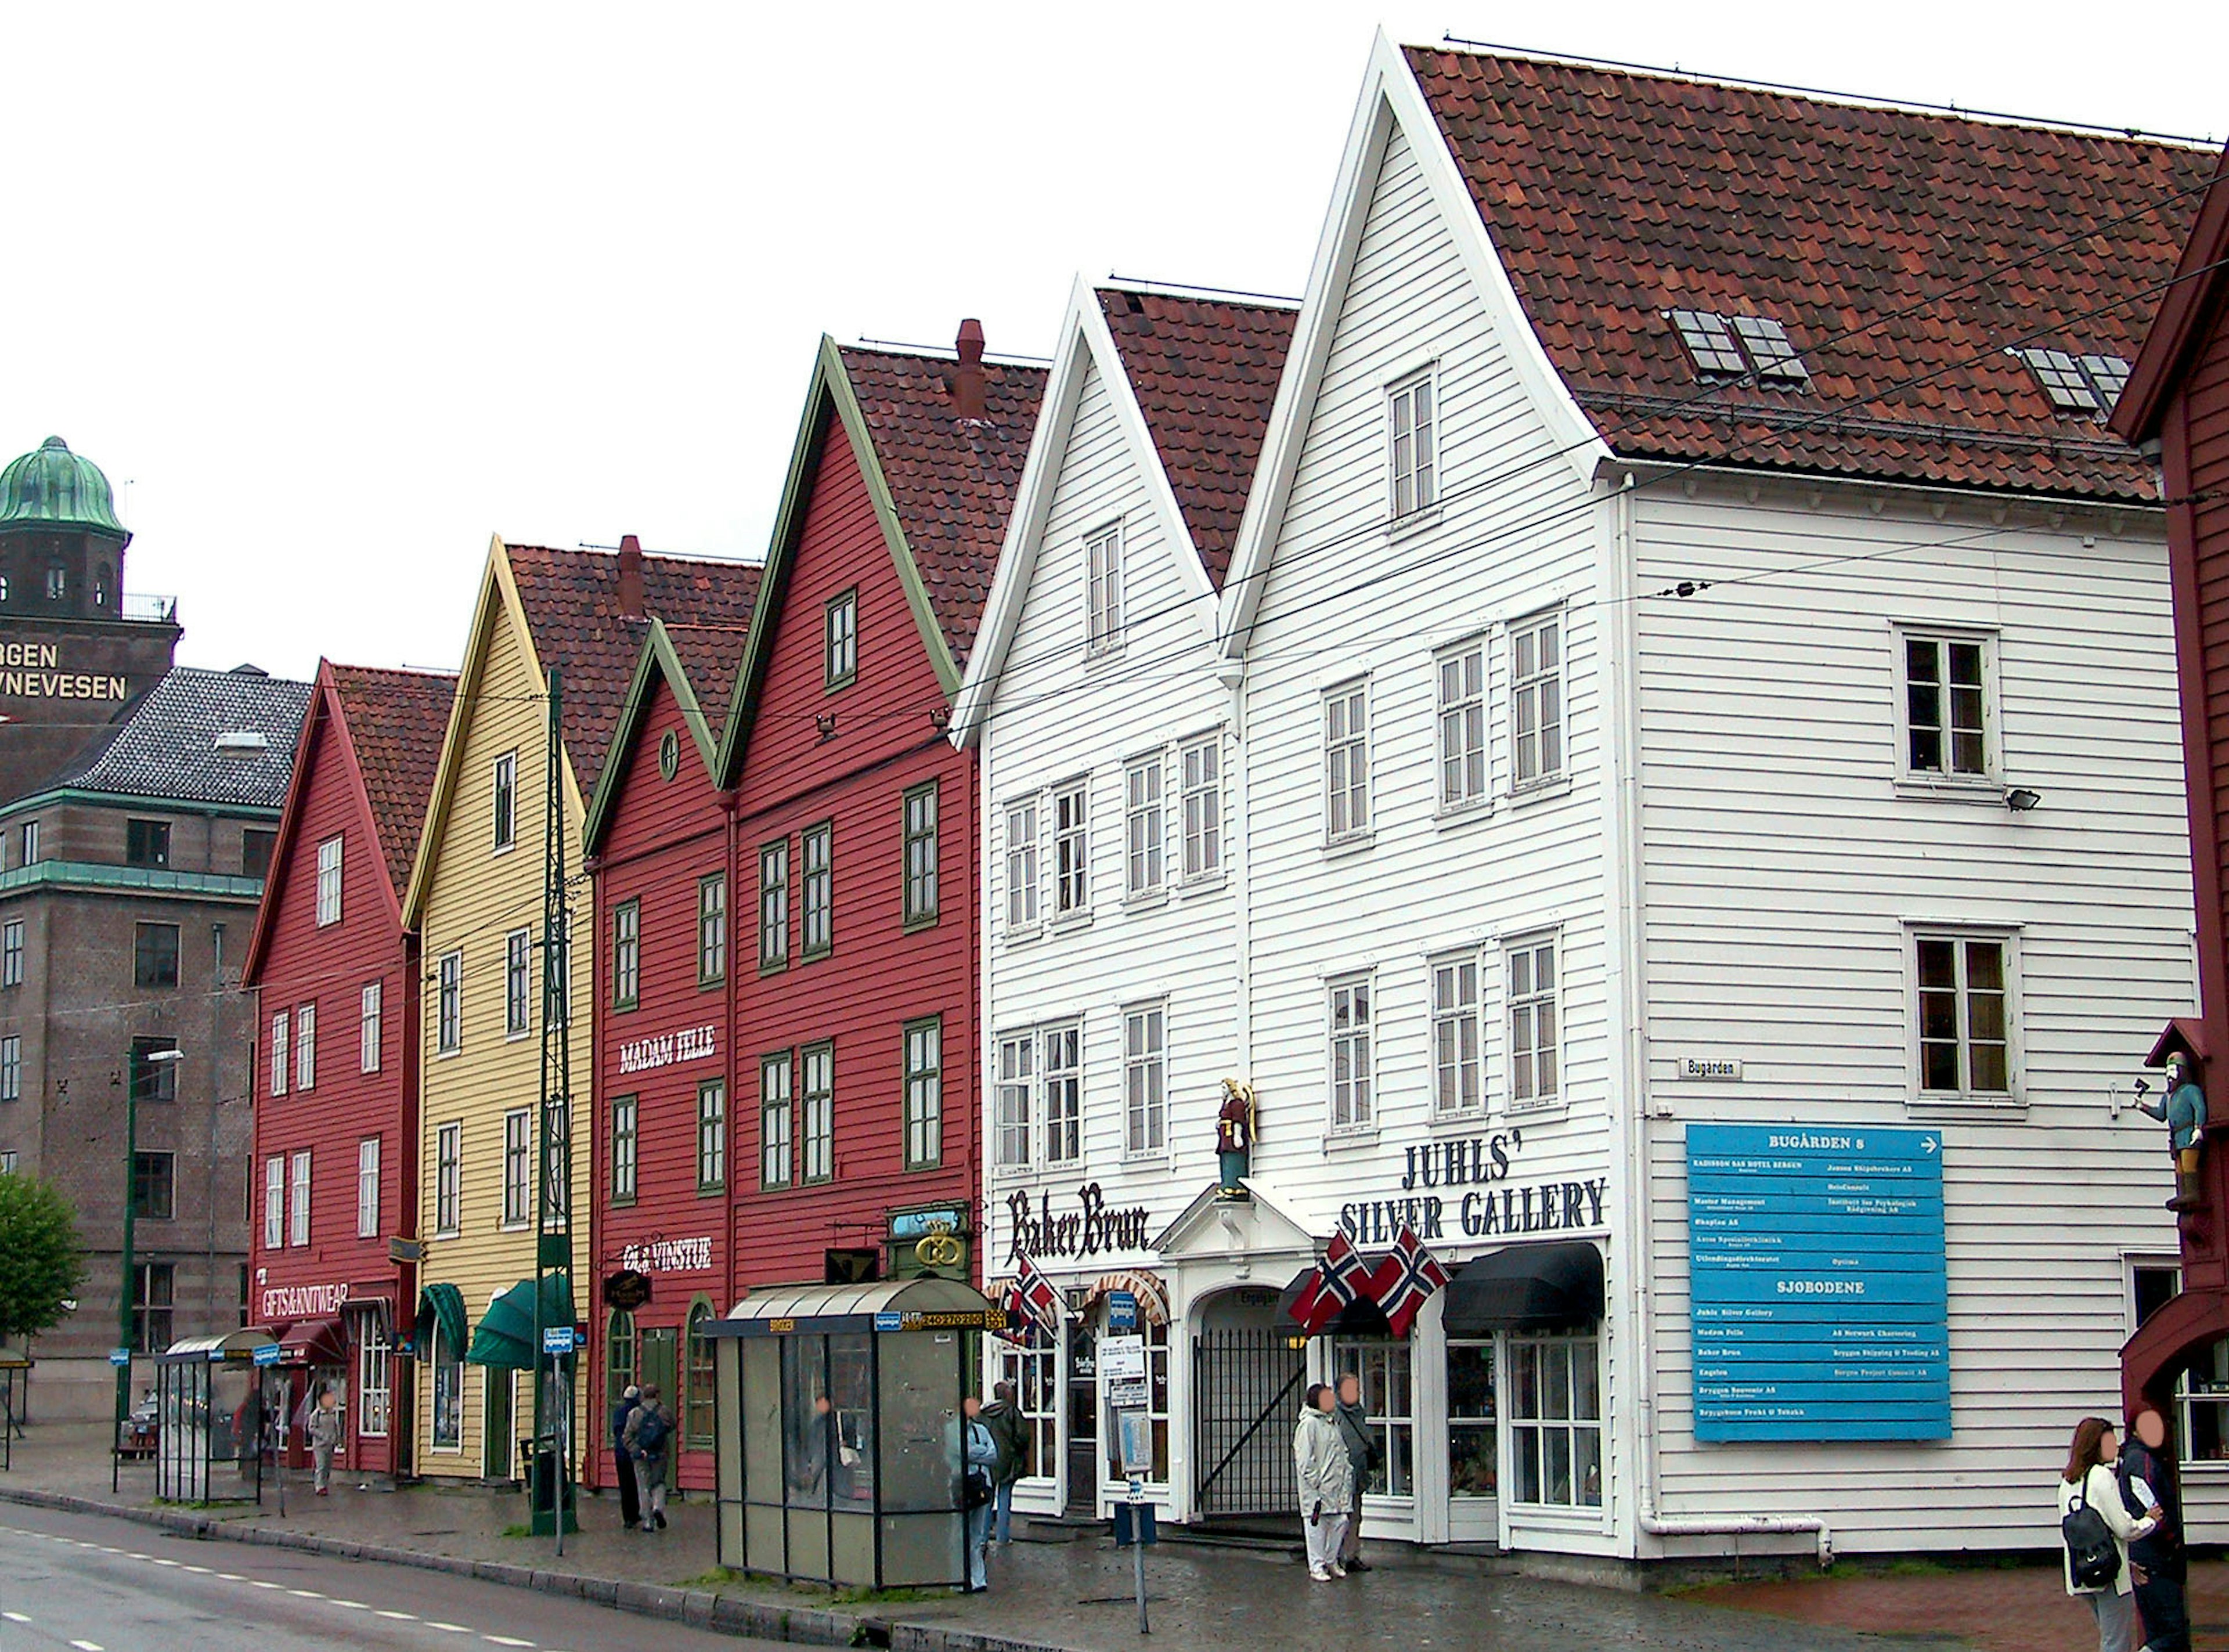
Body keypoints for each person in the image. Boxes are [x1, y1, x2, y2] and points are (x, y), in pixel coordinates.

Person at [2061, 1415, 2159, 1652]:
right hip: (2110, 1575)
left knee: (2109, 1636)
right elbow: (2124, 1528)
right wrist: (2149, 1521)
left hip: (2081, 1572)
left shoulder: (2068, 1481)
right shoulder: (2102, 1477)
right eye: (2111, 1440)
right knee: (2116, 1643)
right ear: (2097, 1444)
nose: (2116, 1445)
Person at [2120, 1406, 2190, 1652]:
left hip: (2146, 1556)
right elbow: (2153, 1510)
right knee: (2173, 1633)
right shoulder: (2142, 1461)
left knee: (2159, 1629)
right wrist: (2174, 1544)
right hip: (2156, 1559)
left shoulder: (2132, 1458)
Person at [1295, 1382, 1354, 1582]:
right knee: (1316, 1527)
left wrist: (1346, 1473)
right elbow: (1305, 1459)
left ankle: (1331, 1560)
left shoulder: (1332, 1423)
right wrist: (1317, 1482)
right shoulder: (1309, 1425)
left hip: (1336, 1485)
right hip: (1318, 1489)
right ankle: (1317, 1565)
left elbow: (1340, 1451)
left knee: (1340, 1521)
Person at [2136, 1051, 2208, 1210]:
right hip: (2176, 1136)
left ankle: (2192, 1192)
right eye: (2168, 1072)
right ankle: (2183, 1194)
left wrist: (2198, 1128)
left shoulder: (2190, 1090)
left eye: (2173, 1071)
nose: (2170, 1076)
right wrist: (2143, 1107)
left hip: (2189, 1131)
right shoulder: (2169, 1097)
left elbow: (2200, 1108)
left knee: (2189, 1163)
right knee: (2179, 1166)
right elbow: (2161, 1115)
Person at [1333, 1372, 1376, 1572]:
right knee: (1341, 1518)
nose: (1354, 1393)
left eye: (1356, 1389)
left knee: (1356, 1516)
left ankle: (1352, 1555)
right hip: (1340, 1477)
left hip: (1358, 1473)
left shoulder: (1360, 1413)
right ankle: (1336, 1555)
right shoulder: (1335, 1416)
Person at [979, 1380, 1028, 1545]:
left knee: (987, 1501)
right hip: (1008, 1460)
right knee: (1005, 1498)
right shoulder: (1012, 1413)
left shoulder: (983, 1414)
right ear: (1008, 1394)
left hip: (988, 1459)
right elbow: (1022, 1437)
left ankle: (983, 1537)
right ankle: (1002, 1537)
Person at [961, 1396, 998, 1591]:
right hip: (960, 1487)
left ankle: (978, 1579)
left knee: (977, 1536)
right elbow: (958, 1452)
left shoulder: (980, 1430)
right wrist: (978, 1453)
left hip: (981, 1488)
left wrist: (971, 1454)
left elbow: (994, 1456)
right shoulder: (953, 1432)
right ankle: (961, 1578)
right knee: (961, 1535)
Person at [624, 1383, 672, 1531]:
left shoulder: (635, 1414)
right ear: (657, 1395)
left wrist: (637, 1450)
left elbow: (626, 1437)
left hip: (641, 1456)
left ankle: (648, 1522)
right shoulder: (664, 1412)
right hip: (660, 1453)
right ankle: (658, 1507)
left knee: (643, 1486)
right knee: (659, 1483)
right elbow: (672, 1425)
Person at [609, 1384, 643, 1531]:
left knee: (625, 1485)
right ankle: (635, 1513)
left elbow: (616, 1431)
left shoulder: (618, 1411)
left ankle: (627, 1517)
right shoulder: (637, 1412)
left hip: (620, 1452)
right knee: (636, 1483)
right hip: (634, 1451)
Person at [307, 1386, 344, 1496]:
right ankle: (319, 1486)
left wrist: (337, 1438)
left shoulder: (331, 1414)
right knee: (321, 1465)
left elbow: (335, 1427)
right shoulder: (316, 1414)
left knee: (328, 1466)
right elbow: (311, 1428)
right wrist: (323, 1436)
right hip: (320, 1445)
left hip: (330, 1444)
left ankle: (325, 1484)